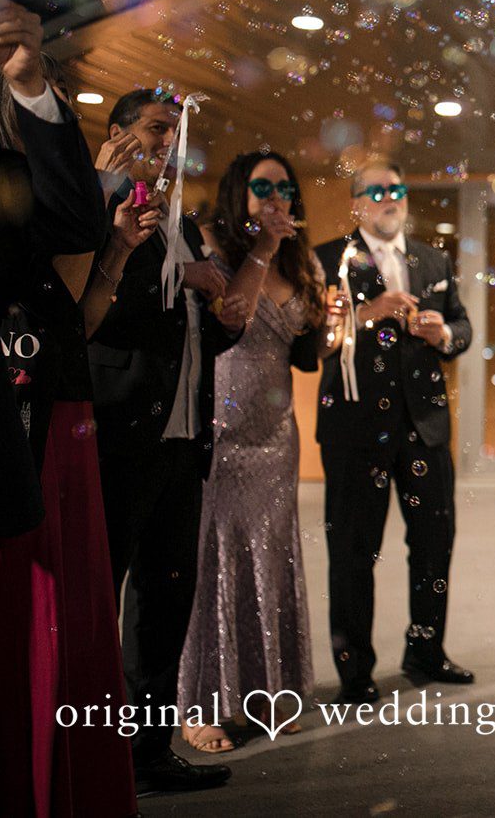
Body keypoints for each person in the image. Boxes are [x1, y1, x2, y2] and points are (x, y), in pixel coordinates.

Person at [0, 5, 137, 816]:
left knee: (40, 619)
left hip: (26, 412)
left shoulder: (3, 161)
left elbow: (74, 222)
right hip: (2, 416)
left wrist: (32, 87)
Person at [88, 87, 238, 795]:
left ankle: (148, 751)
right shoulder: (103, 207)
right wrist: (185, 275)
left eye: (176, 133)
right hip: (121, 432)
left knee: (166, 598)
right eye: (155, 129)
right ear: (118, 133)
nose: (169, 144)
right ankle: (91, 755)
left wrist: (227, 313)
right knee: (103, 597)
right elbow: (95, 310)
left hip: (183, 439)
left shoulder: (186, 222)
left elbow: (198, 331)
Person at [176, 152, 330, 751]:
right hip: (221, 428)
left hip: (275, 438)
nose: (275, 197)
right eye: (262, 186)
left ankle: (263, 691)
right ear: (238, 191)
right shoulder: (212, 248)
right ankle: (200, 704)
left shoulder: (301, 260)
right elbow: (228, 319)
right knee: (213, 562)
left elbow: (304, 357)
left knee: (270, 560)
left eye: (285, 188)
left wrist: (328, 323)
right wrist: (262, 246)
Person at [314, 159, 473, 705]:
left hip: (424, 426)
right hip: (355, 428)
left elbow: (463, 325)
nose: (390, 199)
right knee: (353, 551)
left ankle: (426, 651)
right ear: (355, 202)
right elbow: (313, 342)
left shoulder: (433, 258)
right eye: (376, 191)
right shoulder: (327, 259)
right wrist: (369, 312)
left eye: (397, 189)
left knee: (433, 545)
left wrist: (442, 332)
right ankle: (355, 670)